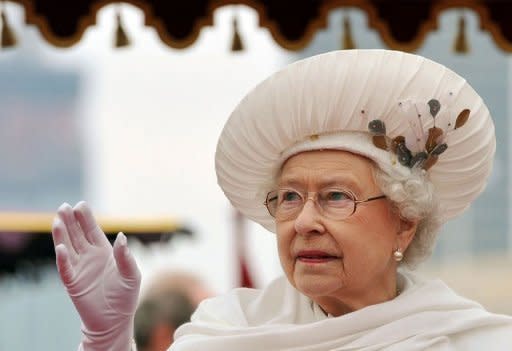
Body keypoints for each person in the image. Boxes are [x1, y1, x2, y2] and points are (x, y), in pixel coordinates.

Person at [51, 50, 512, 350]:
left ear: (405, 222)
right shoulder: (229, 330)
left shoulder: (472, 341)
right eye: (289, 197)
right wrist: (108, 338)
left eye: (335, 197)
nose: (304, 221)